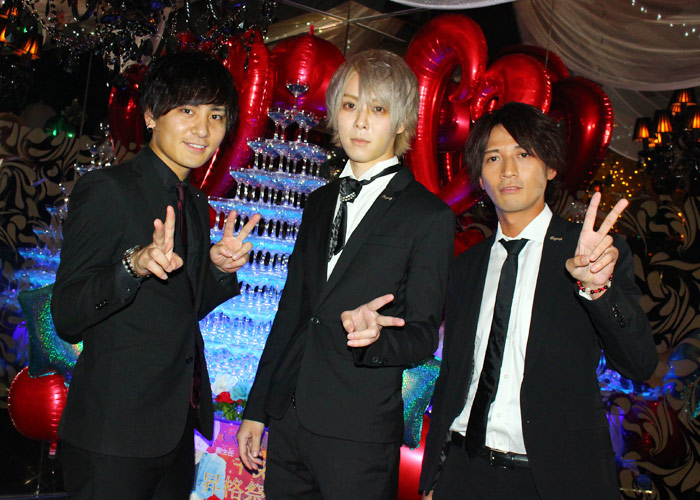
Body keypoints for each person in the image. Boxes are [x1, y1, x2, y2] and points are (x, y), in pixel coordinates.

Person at [236, 49, 455, 499]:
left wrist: (376, 338)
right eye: (350, 104)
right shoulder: (318, 202)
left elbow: (422, 334)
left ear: (401, 122)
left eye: (378, 109)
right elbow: (291, 313)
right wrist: (257, 409)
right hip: (289, 419)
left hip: (359, 433)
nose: (360, 121)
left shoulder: (429, 216)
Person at [418, 102, 658, 500]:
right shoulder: (465, 267)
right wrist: (434, 479)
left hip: (553, 479)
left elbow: (639, 363)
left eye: (524, 154)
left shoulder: (589, 254)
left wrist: (597, 289)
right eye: (493, 158)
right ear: (480, 177)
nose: (508, 171)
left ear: (550, 167)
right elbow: (454, 379)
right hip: (462, 472)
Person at [51, 51, 261, 499]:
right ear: (150, 115)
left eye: (215, 115)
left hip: (174, 431)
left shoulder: (196, 203)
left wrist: (218, 269)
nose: (203, 129)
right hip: (112, 435)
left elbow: (180, 308)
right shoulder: (108, 190)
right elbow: (67, 314)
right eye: (187, 110)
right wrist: (132, 266)